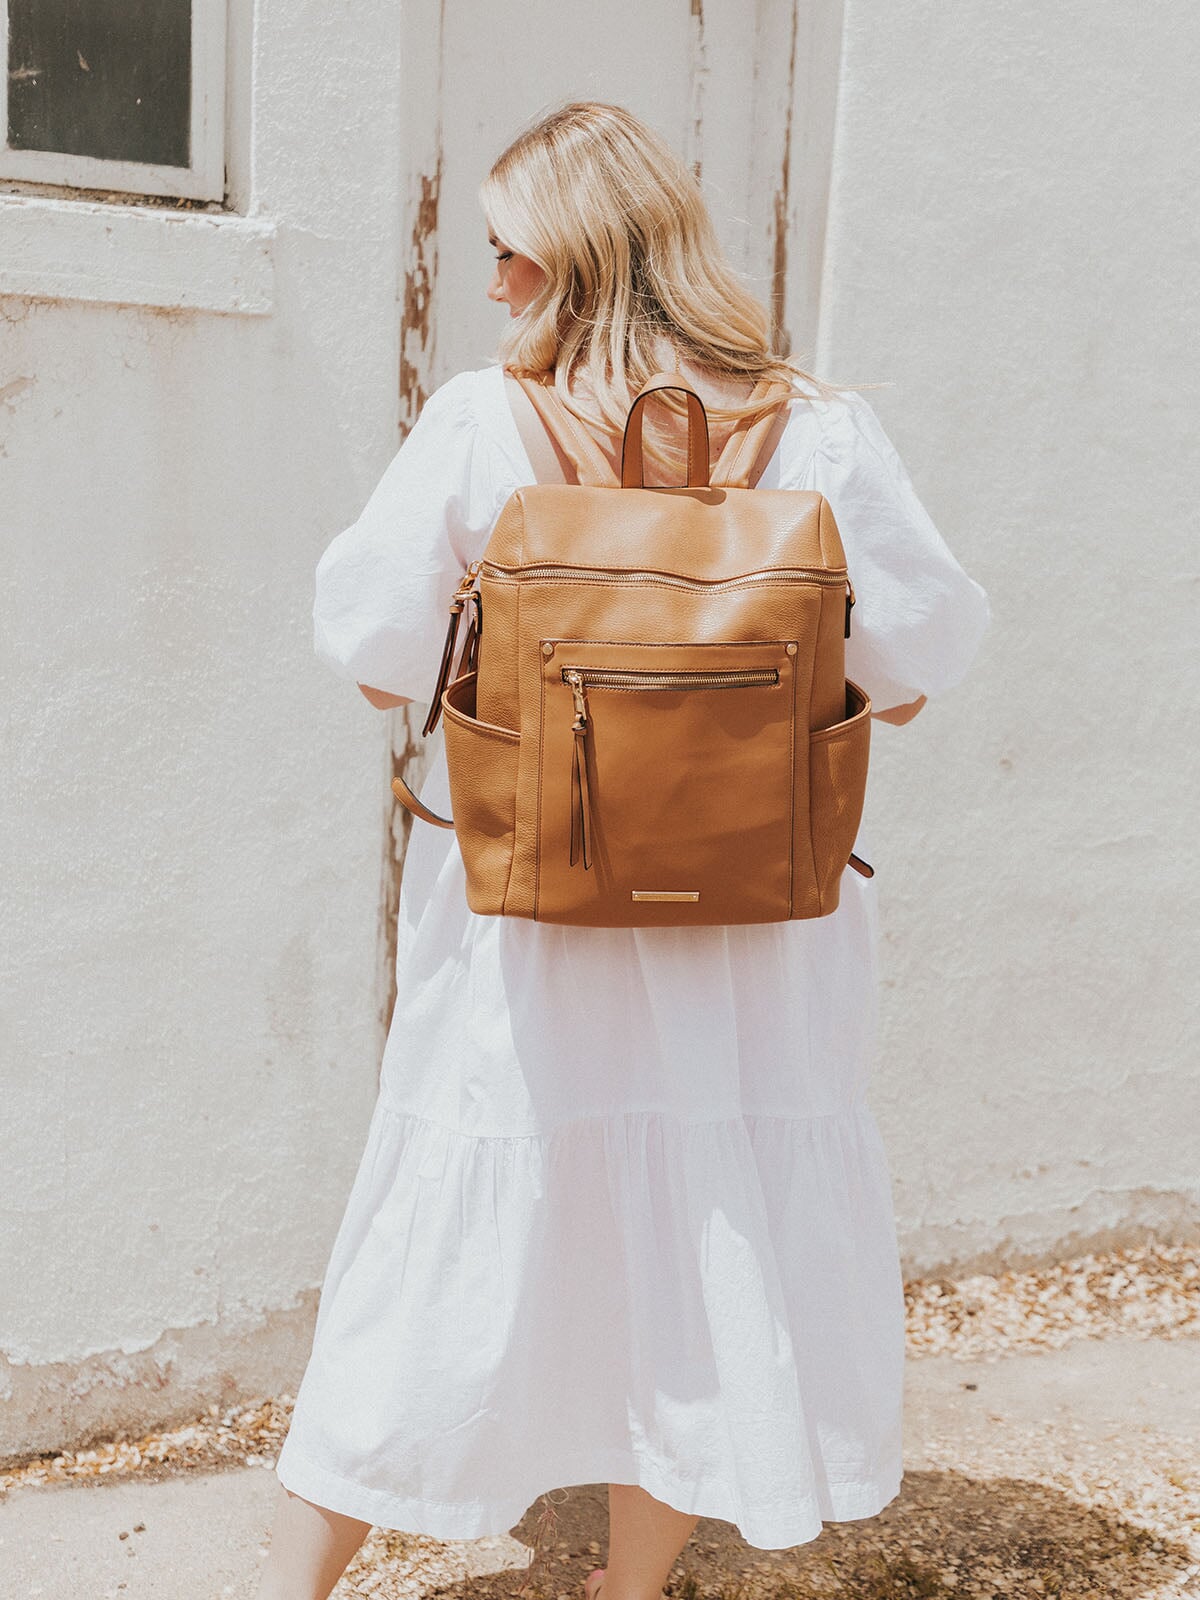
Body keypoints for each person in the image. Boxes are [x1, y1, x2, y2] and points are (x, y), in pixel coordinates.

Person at [257, 101, 989, 1600]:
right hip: (753, 943)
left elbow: (376, 657)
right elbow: (916, 671)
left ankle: (285, 1590)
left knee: (436, 1260)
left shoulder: (491, 423)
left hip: (530, 928)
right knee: (699, 1247)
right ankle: (628, 1587)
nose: (493, 285)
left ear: (581, 259)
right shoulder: (817, 432)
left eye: (511, 255)